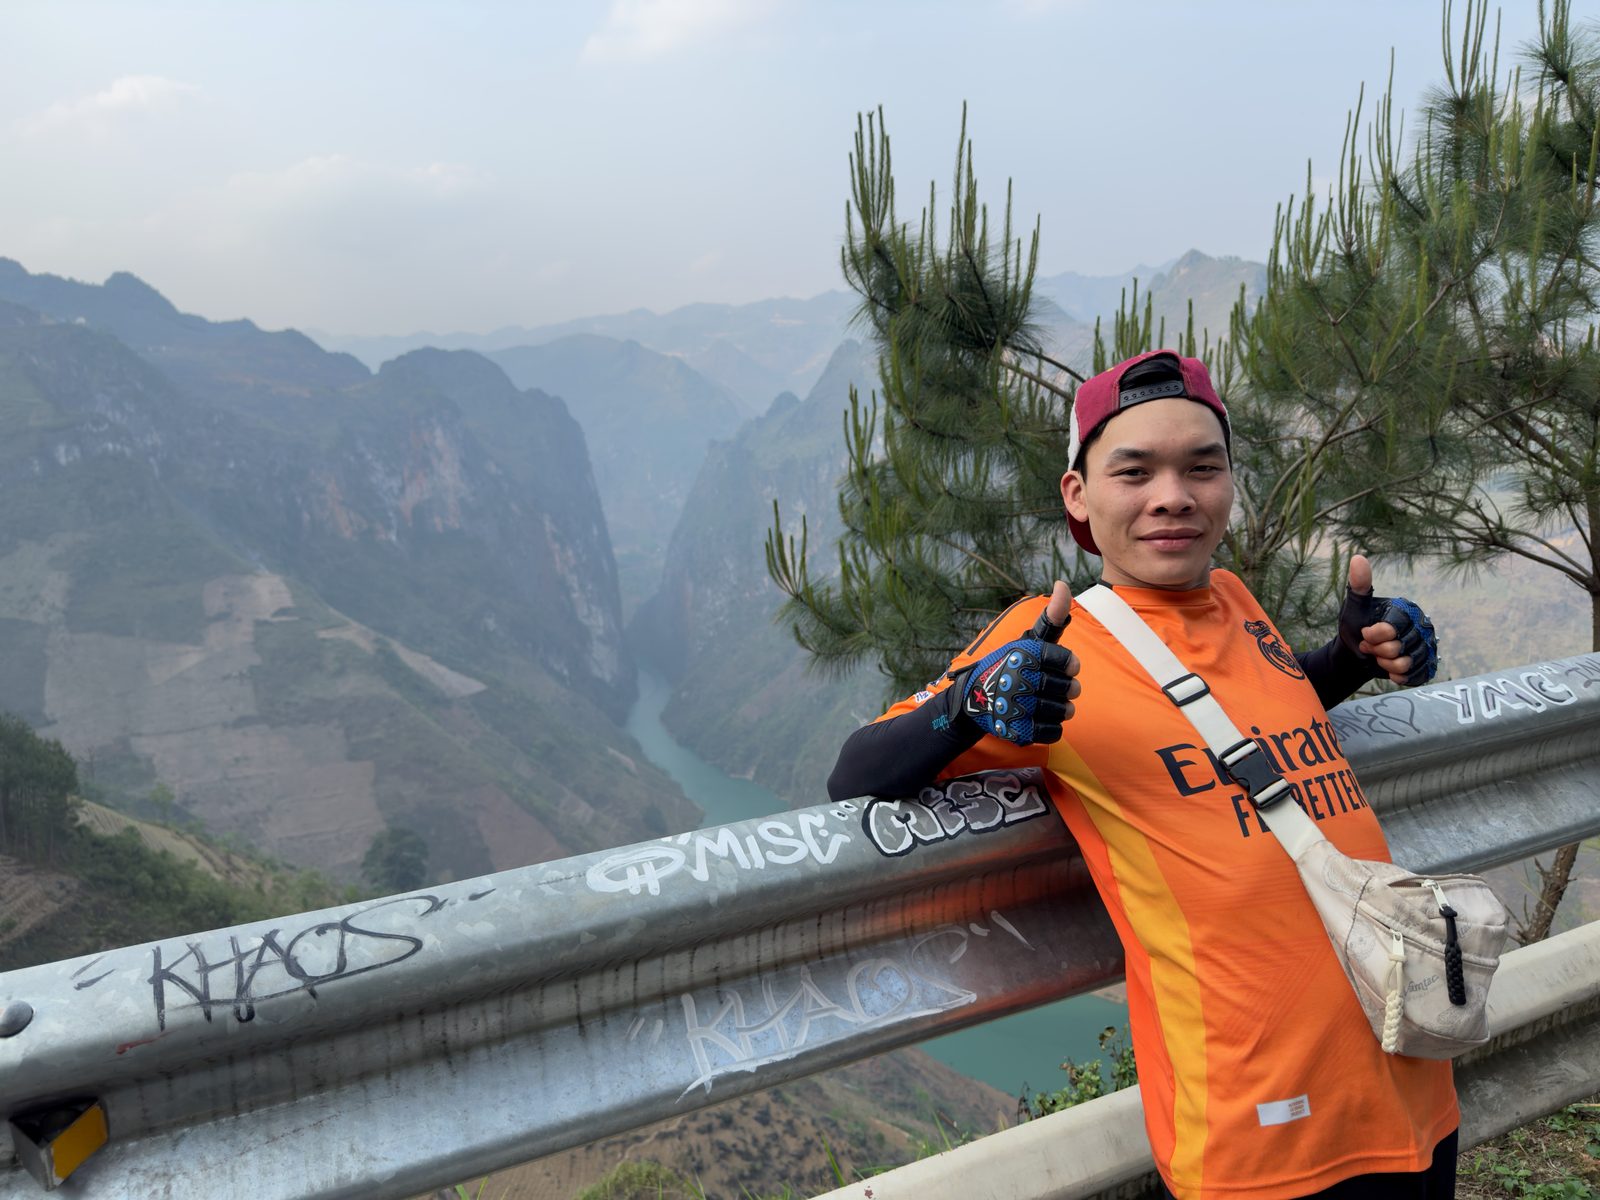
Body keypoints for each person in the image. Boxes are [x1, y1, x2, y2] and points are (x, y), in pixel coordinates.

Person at [827, 349, 1453, 1200]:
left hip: (1408, 1078)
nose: (1173, 496)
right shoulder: (1056, 640)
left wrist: (1351, 657)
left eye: (1203, 467)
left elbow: (1249, 721)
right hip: (1257, 1130)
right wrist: (973, 702)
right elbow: (857, 771)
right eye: (1135, 472)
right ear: (1078, 496)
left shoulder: (1236, 600)